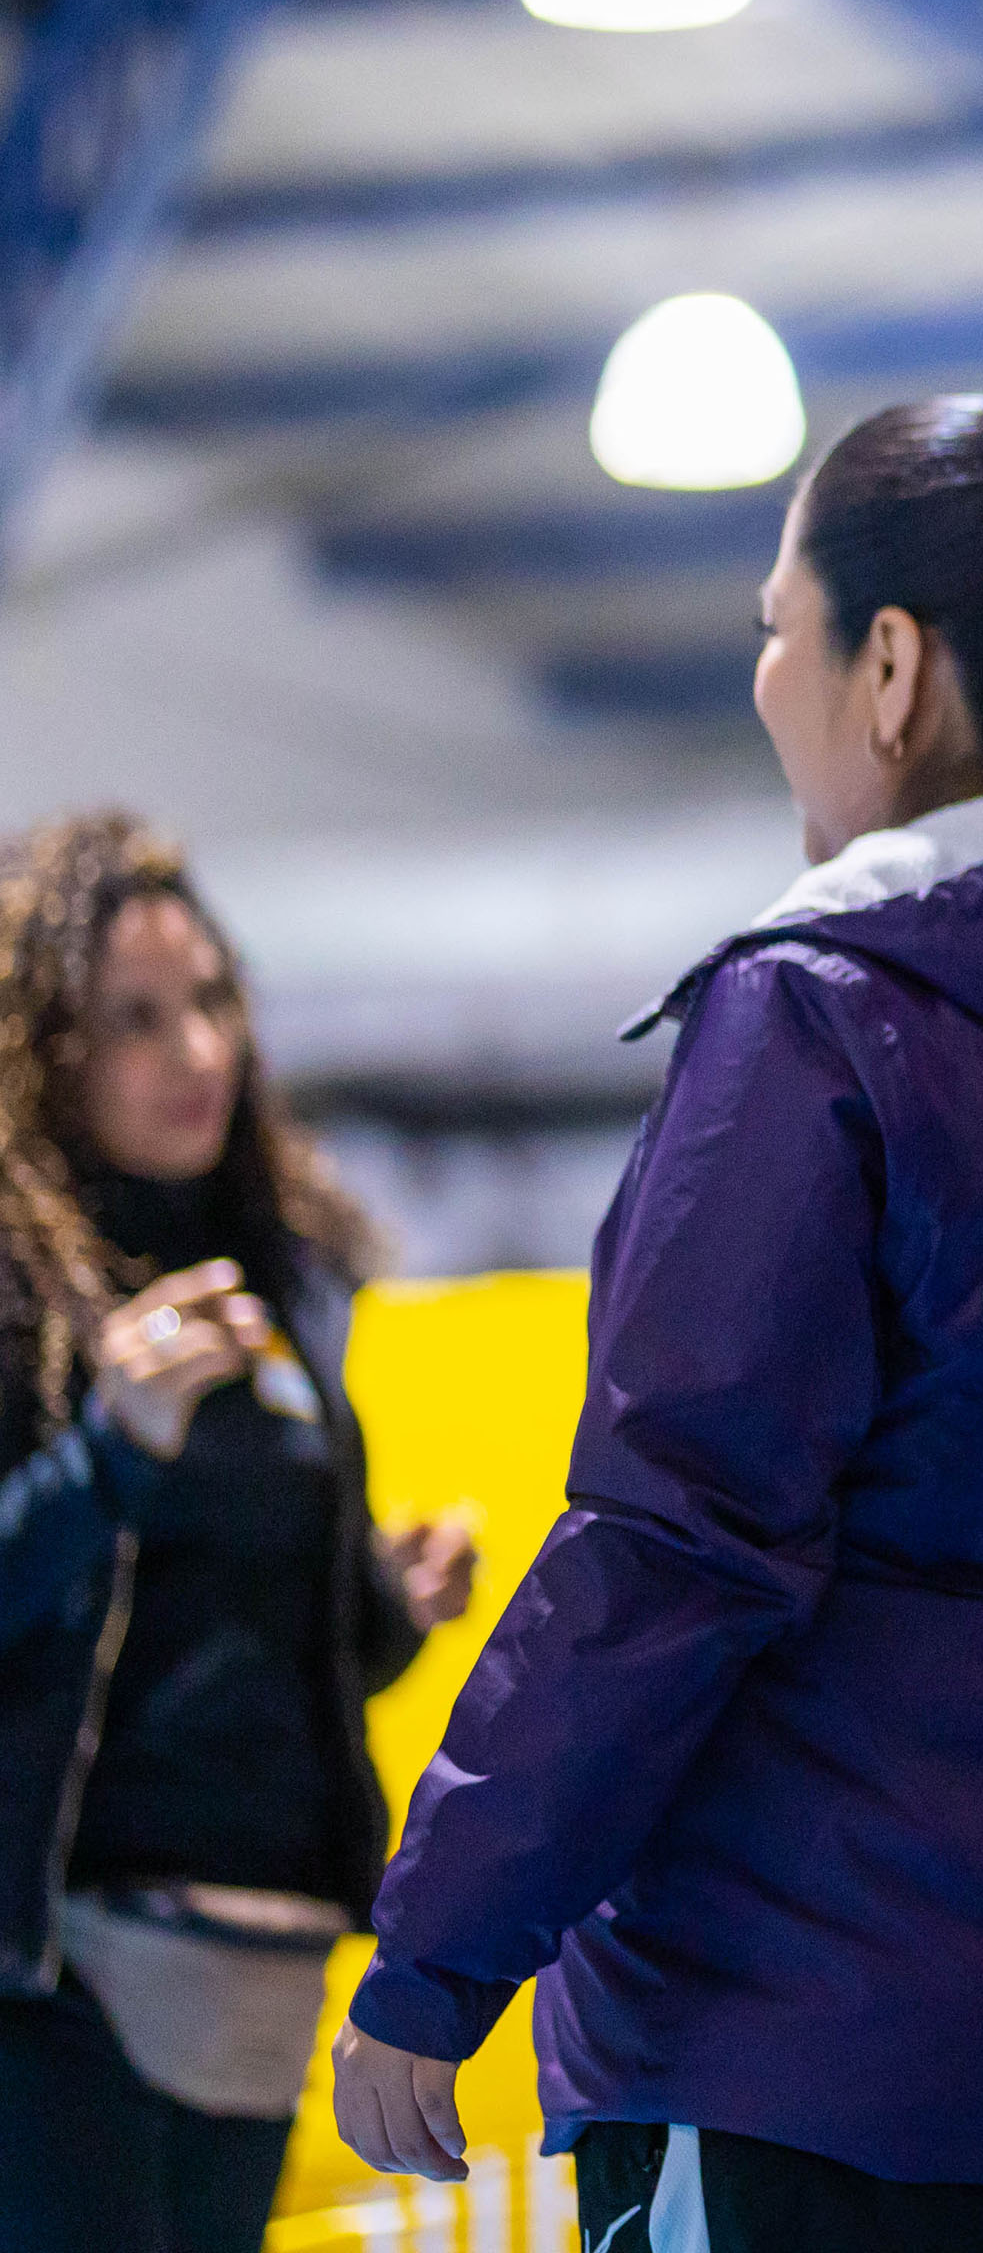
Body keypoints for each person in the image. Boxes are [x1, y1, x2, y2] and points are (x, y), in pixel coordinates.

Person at [331, 353, 983, 2252]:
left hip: (810, 2034)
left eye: (780, 630)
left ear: (892, 671)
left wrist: (441, 1947)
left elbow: (677, 1539)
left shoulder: (824, 1017)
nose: (770, 682)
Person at [0, 811, 474, 2253]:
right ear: (43, 1047)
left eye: (211, 999)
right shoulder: (23, 1293)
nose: (196, 1049)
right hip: (59, 1985)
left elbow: (257, 1654)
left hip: (262, 1982)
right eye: (135, 1019)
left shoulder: (281, 1280)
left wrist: (383, 1604)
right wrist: (105, 1453)